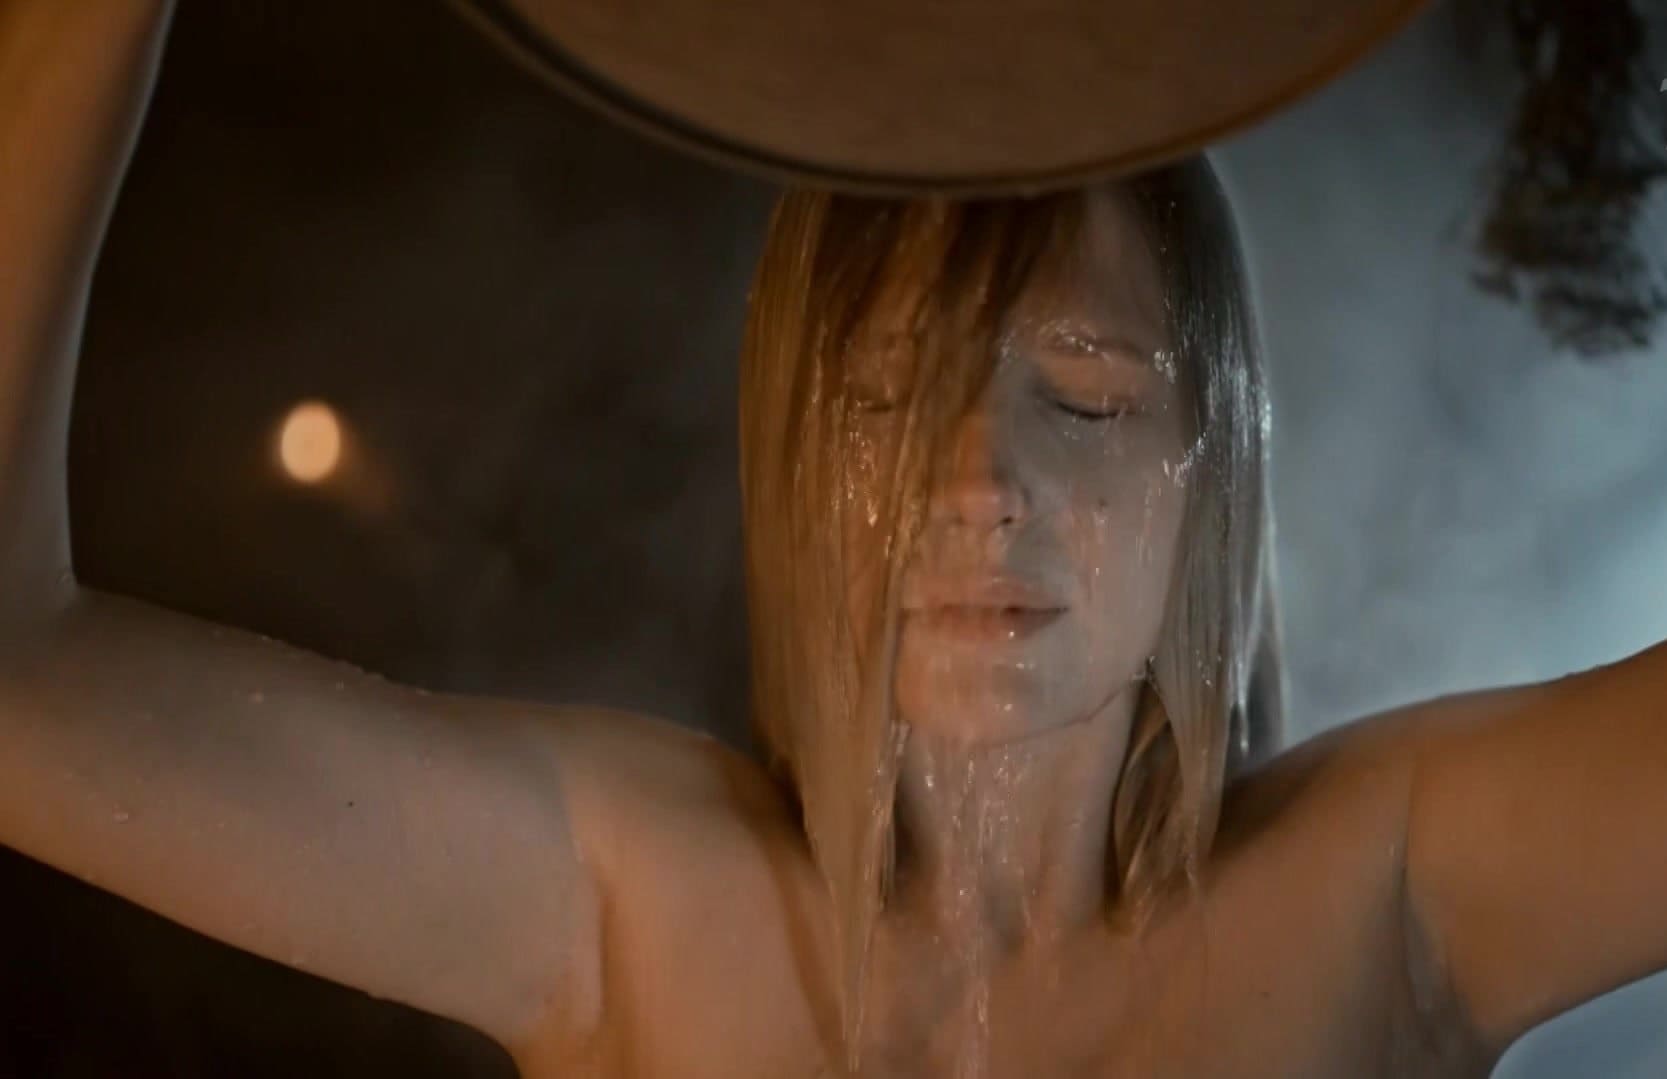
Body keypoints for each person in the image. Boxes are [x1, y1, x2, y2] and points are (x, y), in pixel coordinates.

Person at [2, 3, 1664, 1077]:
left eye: (1086, 396)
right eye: (883, 401)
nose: (977, 481)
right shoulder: (627, 898)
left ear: (1207, 477)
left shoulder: (1386, 890)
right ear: (792, 465)